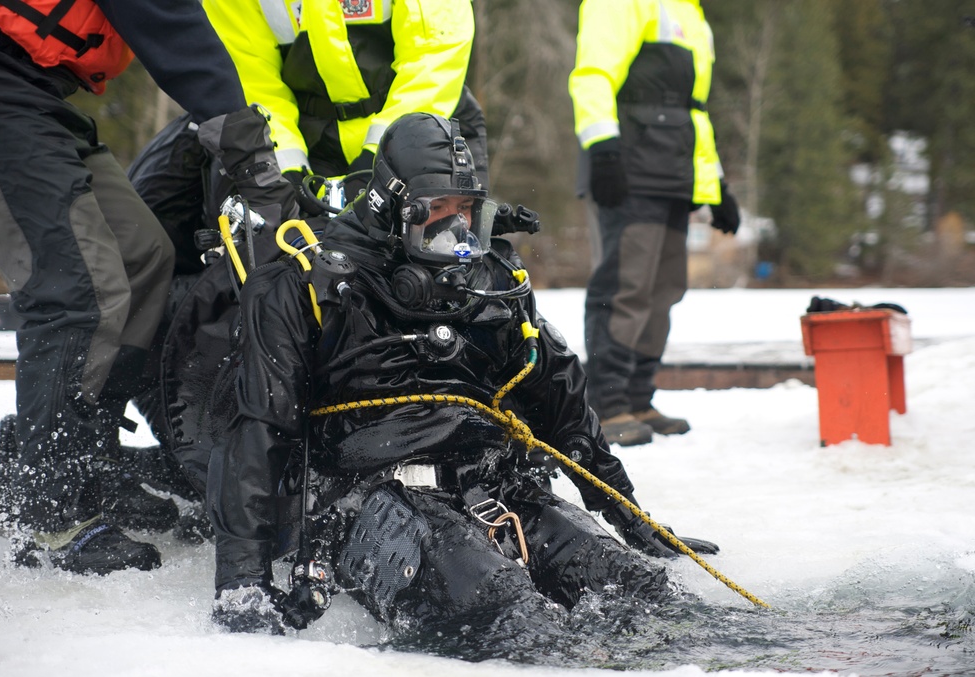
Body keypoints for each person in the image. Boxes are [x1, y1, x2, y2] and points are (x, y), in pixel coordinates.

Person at [197, 112, 718, 636]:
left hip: (496, 486)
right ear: (391, 204)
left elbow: (560, 392)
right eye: (436, 211)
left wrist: (630, 517)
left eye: (463, 210)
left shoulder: (490, 282)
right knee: (514, 621)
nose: (453, 229)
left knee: (646, 597)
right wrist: (242, 578)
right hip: (370, 501)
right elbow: (258, 428)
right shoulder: (303, 286)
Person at [0, 0, 299, 575]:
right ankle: (48, 509)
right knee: (78, 291)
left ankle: (85, 462)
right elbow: (166, 20)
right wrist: (242, 137)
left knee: (142, 258)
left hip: (40, 90)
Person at [568, 0, 741, 446]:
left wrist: (717, 183)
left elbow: (692, 112)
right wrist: (602, 147)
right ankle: (607, 405)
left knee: (663, 290)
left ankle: (639, 397)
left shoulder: (691, 14)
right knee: (627, 285)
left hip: (674, 173)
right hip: (629, 168)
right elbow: (593, 76)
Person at [201, 0, 489, 207]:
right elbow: (251, 78)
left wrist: (382, 155)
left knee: (441, 259)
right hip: (308, 140)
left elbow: (434, 56)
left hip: (423, 129)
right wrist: (285, 170)